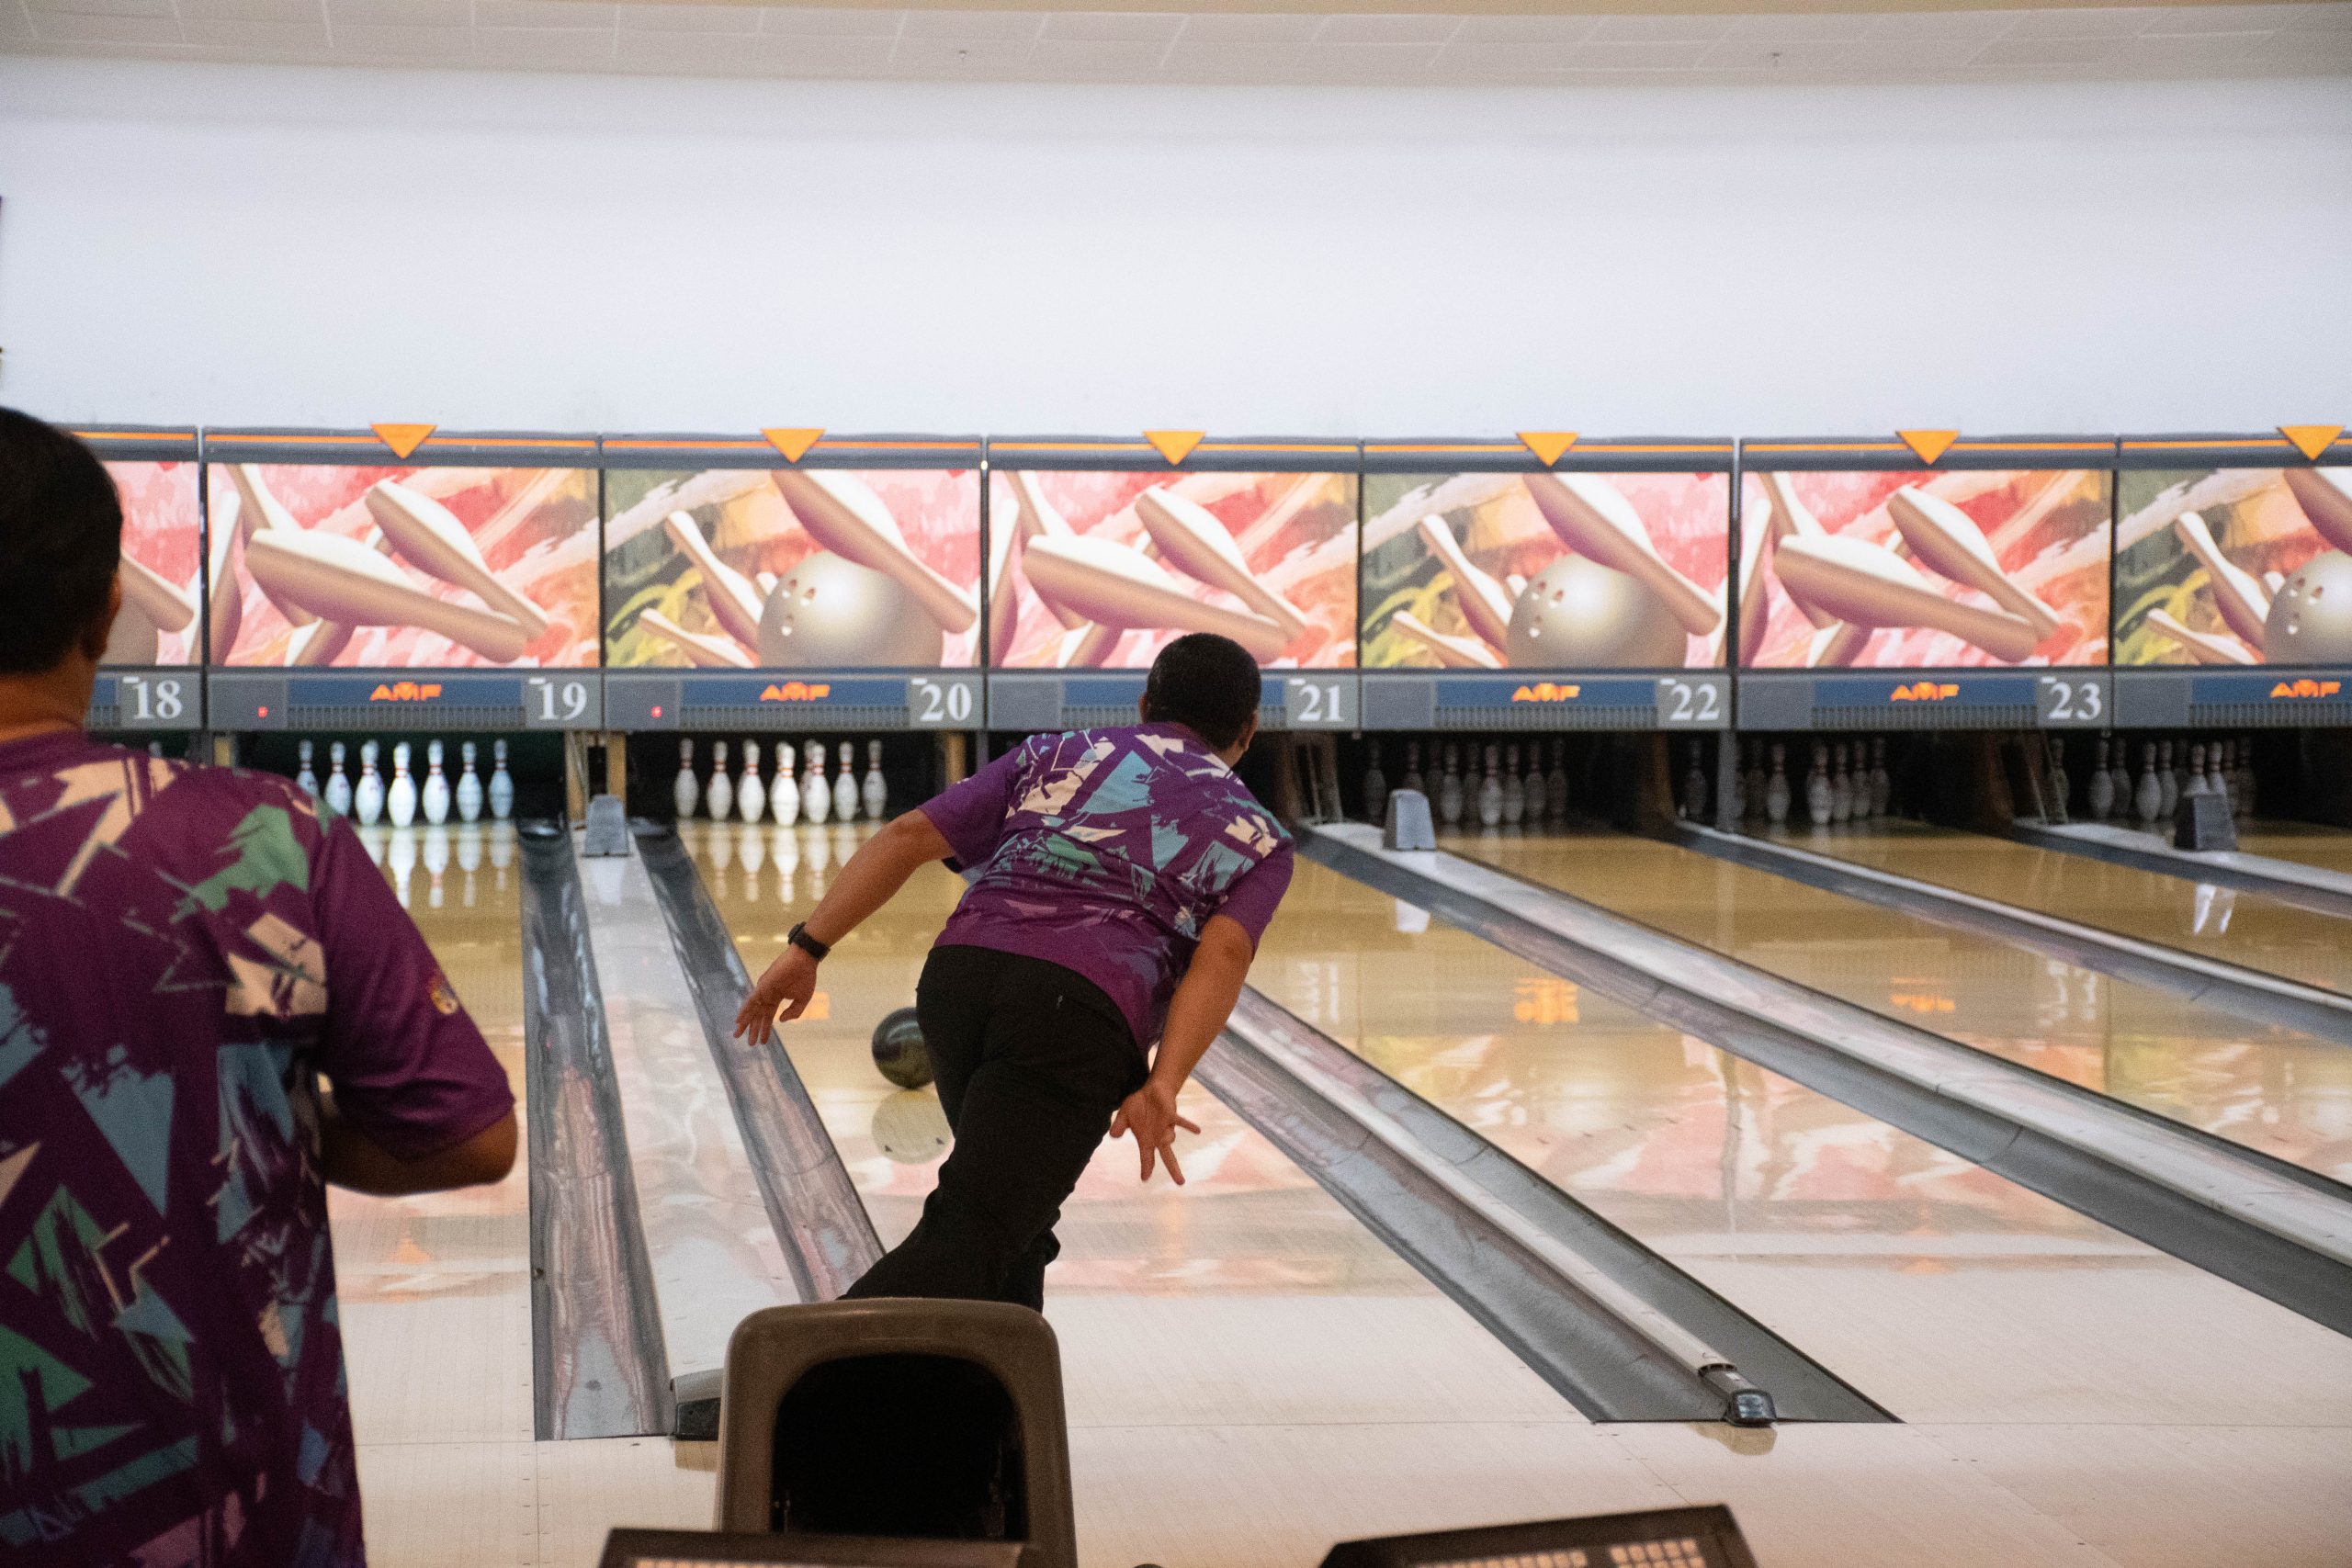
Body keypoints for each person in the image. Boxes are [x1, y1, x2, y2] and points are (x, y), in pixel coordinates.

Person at [0, 407, 518, 1567]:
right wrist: (243, 1122)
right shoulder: (269, 839)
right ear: (107, 610)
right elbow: (469, 1138)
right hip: (234, 1517)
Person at [736, 631, 1294, 1309]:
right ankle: (800, 1366)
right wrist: (1165, 1081)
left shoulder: (1054, 753)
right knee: (978, 1230)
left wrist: (807, 948)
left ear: (1145, 703)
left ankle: (997, 1380)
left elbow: (907, 836)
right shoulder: (1259, 837)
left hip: (957, 980)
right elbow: (1223, 954)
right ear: (1249, 730)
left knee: (1013, 1224)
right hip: (1076, 1017)